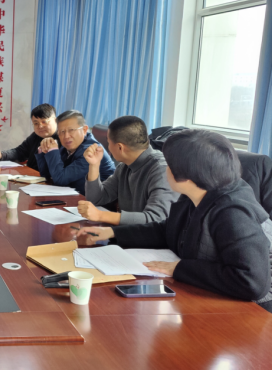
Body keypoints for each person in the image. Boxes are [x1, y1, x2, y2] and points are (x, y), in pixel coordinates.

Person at [78, 130, 272, 311]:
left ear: (187, 175)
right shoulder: (195, 194)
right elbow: (168, 231)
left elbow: (251, 282)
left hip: (256, 309)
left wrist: (179, 268)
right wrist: (112, 233)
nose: (166, 169)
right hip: (210, 292)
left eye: (169, 165)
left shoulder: (233, 213)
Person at [78, 116, 178, 225]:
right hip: (128, 233)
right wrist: (94, 165)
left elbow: (156, 219)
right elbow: (96, 199)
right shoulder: (124, 167)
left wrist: (100, 215)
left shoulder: (161, 170)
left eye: (108, 142)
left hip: (147, 236)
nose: (108, 147)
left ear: (120, 147)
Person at [36, 110, 115, 194]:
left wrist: (53, 151)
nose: (66, 136)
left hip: (98, 200)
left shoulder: (90, 151)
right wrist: (45, 150)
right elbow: (47, 175)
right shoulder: (67, 147)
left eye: (71, 130)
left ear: (84, 130)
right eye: (62, 131)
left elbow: (60, 179)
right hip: (75, 195)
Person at [0, 103, 59, 172]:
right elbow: (19, 152)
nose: (40, 126)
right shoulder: (35, 136)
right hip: (30, 175)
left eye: (44, 122)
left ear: (56, 121)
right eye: (36, 123)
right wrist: (1, 155)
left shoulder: (62, 138)